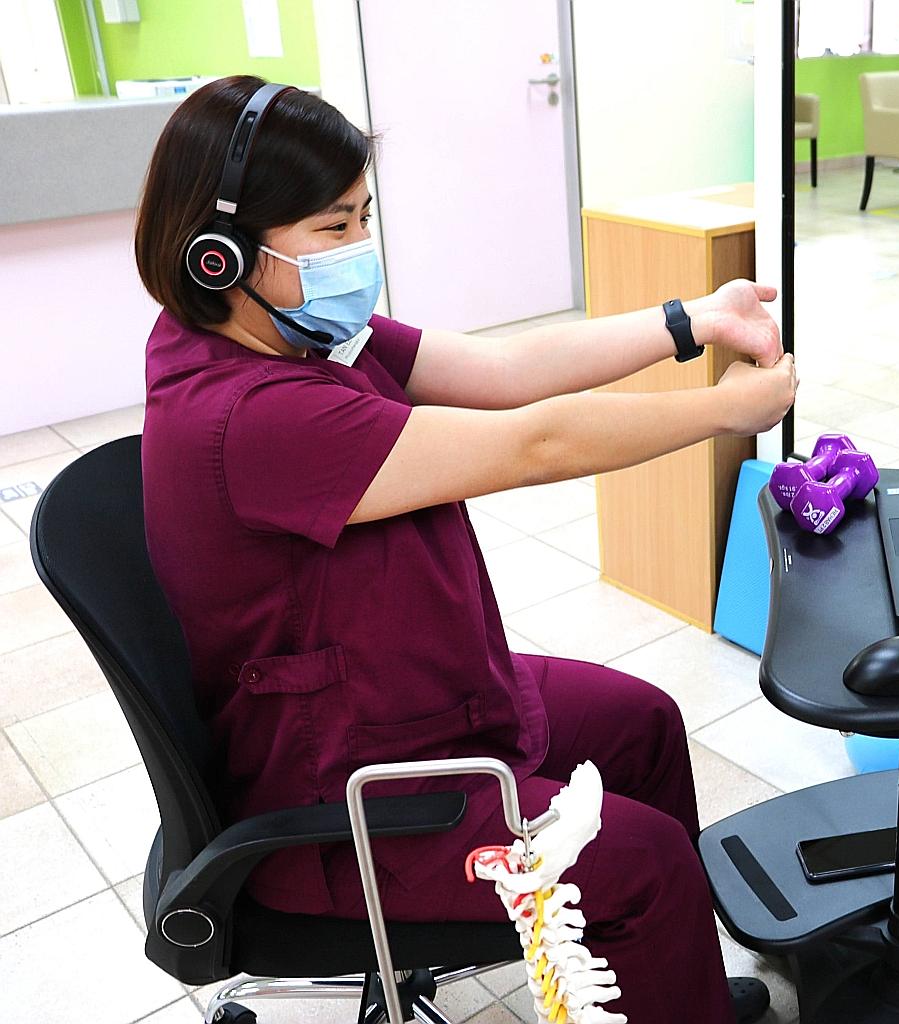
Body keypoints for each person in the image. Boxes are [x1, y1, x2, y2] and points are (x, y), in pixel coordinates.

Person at [134, 76, 796, 1024]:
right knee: (641, 867)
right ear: (219, 257)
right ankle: (664, 956)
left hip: (401, 695)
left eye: (363, 216)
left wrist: (693, 322)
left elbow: (501, 372)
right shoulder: (254, 415)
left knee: (641, 724)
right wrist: (726, 411)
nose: (359, 249)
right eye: (333, 227)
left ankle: (666, 983)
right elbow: (537, 443)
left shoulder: (299, 339)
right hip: (347, 795)